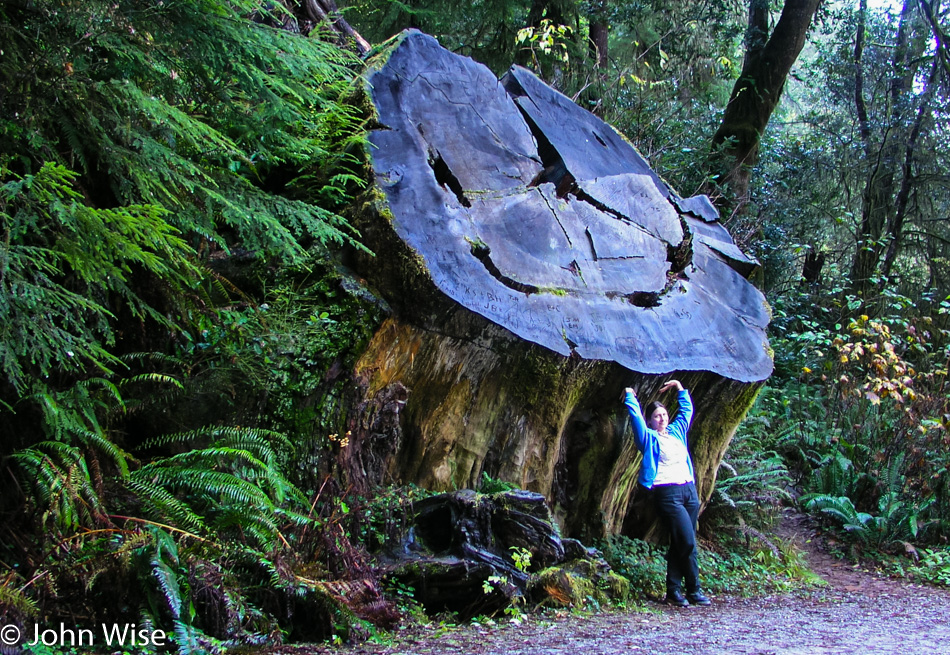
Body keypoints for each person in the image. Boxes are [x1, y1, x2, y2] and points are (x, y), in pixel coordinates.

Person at [622, 380, 711, 607]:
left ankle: (678, 591)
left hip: (688, 490)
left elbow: (687, 411)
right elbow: (636, 420)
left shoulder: (676, 432)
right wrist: (631, 396)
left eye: (664, 414)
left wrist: (679, 388)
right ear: (651, 421)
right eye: (657, 416)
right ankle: (693, 588)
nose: (662, 419)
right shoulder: (649, 439)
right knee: (688, 541)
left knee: (681, 542)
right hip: (667, 492)